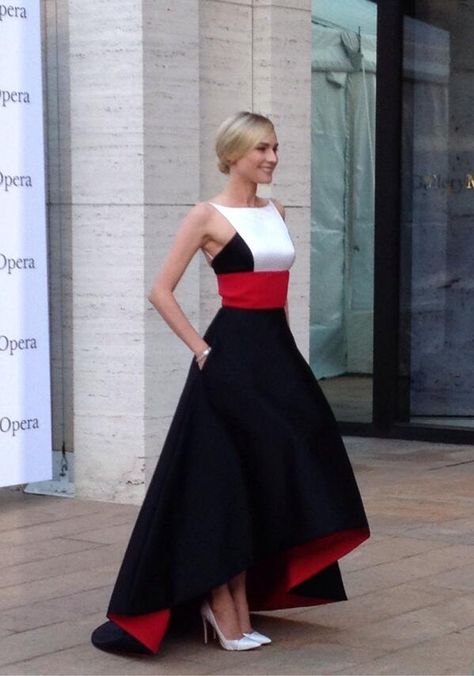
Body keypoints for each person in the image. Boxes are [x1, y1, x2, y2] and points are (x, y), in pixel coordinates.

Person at [91, 110, 370, 656]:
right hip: (230, 357)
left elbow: (280, 294)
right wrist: (202, 351)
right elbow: (160, 290)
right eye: (261, 149)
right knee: (225, 480)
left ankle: (237, 600)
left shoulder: (276, 210)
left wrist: (289, 353)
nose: (271, 158)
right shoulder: (206, 215)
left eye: (275, 148)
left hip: (275, 356)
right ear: (234, 153)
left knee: (292, 463)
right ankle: (222, 607)